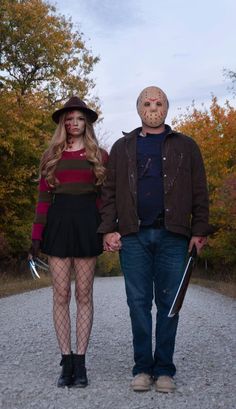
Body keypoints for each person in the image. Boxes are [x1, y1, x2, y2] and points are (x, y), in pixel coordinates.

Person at [98, 86, 211, 393]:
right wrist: (109, 229)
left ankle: (164, 370)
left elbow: (200, 190)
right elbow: (108, 194)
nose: (153, 107)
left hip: (173, 236)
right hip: (133, 237)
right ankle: (141, 368)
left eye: (158, 102)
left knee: (168, 304)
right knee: (137, 303)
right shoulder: (122, 147)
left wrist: (199, 230)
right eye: (147, 102)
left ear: (166, 107)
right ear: (138, 108)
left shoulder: (186, 146)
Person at [29, 96, 108, 388]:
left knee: (84, 294)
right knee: (60, 293)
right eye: (69, 118)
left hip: (88, 224)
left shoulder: (99, 155)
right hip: (58, 225)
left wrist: (108, 229)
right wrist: (36, 236)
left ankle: (81, 361)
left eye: (79, 119)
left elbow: (105, 199)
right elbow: (42, 199)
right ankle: (66, 361)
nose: (74, 123)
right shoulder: (51, 155)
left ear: (86, 123)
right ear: (63, 122)